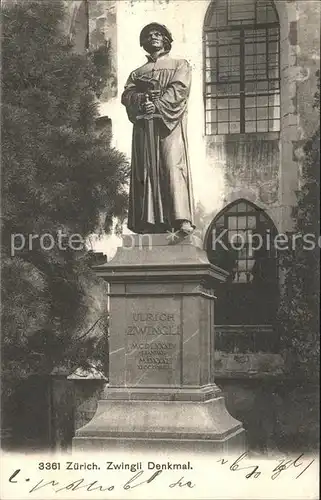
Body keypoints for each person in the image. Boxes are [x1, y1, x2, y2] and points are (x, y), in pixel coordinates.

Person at [121, 22, 195, 235]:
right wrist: (142, 100)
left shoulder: (180, 65)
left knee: (172, 166)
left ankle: (181, 220)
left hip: (169, 127)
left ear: (165, 39)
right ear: (144, 43)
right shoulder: (137, 73)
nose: (153, 37)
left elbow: (179, 89)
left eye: (158, 34)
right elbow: (127, 96)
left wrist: (159, 105)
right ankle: (149, 222)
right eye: (149, 35)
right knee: (146, 171)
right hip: (145, 129)